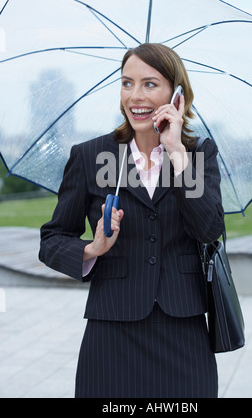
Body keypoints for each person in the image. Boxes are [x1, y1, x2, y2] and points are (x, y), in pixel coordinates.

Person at [39, 43, 225, 398]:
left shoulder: (199, 153)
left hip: (182, 329)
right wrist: (92, 248)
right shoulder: (91, 155)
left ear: (178, 93)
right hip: (112, 330)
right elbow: (51, 239)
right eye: (127, 83)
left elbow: (209, 229)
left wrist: (176, 152)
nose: (135, 96)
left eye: (150, 84)